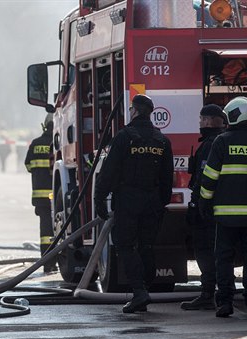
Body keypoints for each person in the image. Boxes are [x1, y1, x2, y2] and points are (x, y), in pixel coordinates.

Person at [94, 94, 174, 313]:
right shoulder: (162, 140)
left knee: (125, 245)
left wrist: (99, 198)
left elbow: (109, 172)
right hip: (152, 201)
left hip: (128, 200)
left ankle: (139, 292)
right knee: (147, 245)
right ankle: (145, 289)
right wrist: (161, 202)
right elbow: (168, 177)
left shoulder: (123, 137)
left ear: (135, 111)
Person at [198, 96, 247, 318]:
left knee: (224, 258)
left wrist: (204, 203)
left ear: (235, 115)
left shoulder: (222, 142)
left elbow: (210, 178)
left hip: (225, 216)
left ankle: (225, 303)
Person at [181, 104, 227, 311]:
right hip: (223, 207)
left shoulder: (211, 144)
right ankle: (220, 293)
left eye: (201, 120)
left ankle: (208, 293)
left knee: (205, 250)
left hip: (208, 208)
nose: (200, 124)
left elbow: (204, 177)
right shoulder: (224, 141)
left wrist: (199, 205)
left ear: (209, 121)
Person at [25, 113, 57, 273]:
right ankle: (59, 259)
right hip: (58, 197)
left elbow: (28, 166)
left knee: (45, 232)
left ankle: (47, 263)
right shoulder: (58, 142)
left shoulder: (36, 144)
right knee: (60, 229)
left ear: (44, 126)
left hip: (40, 198)